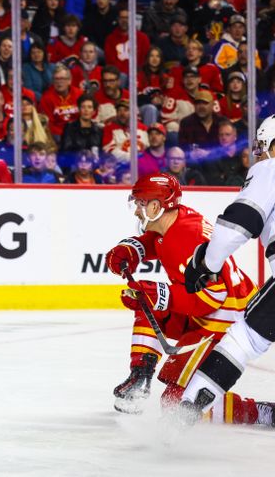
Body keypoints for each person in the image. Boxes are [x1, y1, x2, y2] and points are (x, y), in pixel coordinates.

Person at [104, 172, 269, 425]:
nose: (137, 211)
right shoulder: (174, 221)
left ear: (156, 206)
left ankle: (257, 413)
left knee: (175, 402)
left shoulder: (185, 236)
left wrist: (162, 295)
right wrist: (133, 249)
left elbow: (214, 294)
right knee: (146, 300)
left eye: (140, 204)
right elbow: (156, 241)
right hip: (208, 312)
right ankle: (140, 376)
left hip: (223, 319)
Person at [178, 116, 275, 424]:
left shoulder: (270, 169)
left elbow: (236, 227)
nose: (261, 155)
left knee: (243, 339)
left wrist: (206, 263)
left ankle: (181, 419)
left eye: (264, 147)